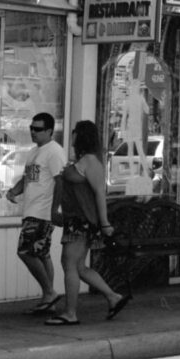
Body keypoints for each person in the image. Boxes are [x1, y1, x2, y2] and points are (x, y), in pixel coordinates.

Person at [46, 120, 130, 325]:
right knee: (79, 267)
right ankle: (113, 297)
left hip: (81, 221)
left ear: (81, 136)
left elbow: (100, 194)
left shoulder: (90, 162)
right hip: (75, 219)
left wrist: (105, 223)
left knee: (69, 264)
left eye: (75, 132)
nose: (72, 136)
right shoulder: (84, 160)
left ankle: (70, 313)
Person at [5, 112, 68, 314]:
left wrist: (54, 209)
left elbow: (60, 181)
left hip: (42, 212)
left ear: (49, 131)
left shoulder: (55, 152)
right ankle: (48, 299)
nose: (33, 132)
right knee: (42, 253)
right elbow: (27, 179)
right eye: (31, 128)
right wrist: (14, 191)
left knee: (25, 251)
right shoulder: (34, 152)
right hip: (32, 210)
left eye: (38, 129)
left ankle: (49, 292)